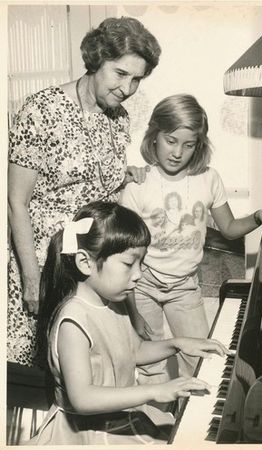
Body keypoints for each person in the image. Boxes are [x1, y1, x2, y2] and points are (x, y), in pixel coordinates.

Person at [8, 16, 161, 366]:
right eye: (120, 74)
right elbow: (17, 201)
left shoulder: (119, 118)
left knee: (85, 362)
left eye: (137, 79)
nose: (127, 88)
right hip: (42, 260)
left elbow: (94, 181)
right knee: (40, 370)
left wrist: (126, 176)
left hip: (88, 263)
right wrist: (32, 279)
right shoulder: (40, 111)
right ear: (96, 59)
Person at [120, 94, 262, 384]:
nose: (177, 152)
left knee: (202, 360)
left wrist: (258, 215)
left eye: (188, 145)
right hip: (143, 287)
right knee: (152, 370)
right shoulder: (137, 185)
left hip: (185, 286)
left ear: (198, 145)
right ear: (154, 137)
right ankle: (158, 425)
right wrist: (132, 310)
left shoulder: (209, 178)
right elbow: (125, 256)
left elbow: (228, 228)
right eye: (170, 140)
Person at [29, 201, 231, 445]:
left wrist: (178, 344)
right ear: (86, 263)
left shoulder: (114, 300)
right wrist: (155, 391)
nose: (138, 275)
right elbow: (82, 398)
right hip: (86, 434)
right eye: (128, 264)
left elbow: (134, 350)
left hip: (118, 420)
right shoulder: (73, 322)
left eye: (141, 264)